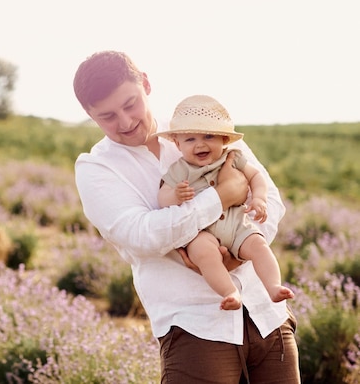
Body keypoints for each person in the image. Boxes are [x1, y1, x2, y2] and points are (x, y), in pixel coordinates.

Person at [73, 50, 300, 383]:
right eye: (107, 116)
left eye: (130, 103)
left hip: (267, 314)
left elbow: (270, 201)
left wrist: (240, 248)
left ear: (146, 84)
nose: (125, 122)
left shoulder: (202, 124)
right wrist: (222, 197)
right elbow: (142, 235)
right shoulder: (96, 169)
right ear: (88, 114)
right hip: (194, 325)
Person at [155, 94, 294, 311]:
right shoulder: (179, 169)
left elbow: (257, 177)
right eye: (190, 140)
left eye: (209, 136)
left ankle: (274, 286)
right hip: (202, 232)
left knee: (258, 245)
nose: (200, 144)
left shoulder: (233, 158)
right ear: (178, 144)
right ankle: (230, 292)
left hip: (236, 223)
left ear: (224, 139)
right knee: (203, 254)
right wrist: (175, 196)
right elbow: (162, 197)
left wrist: (258, 198)